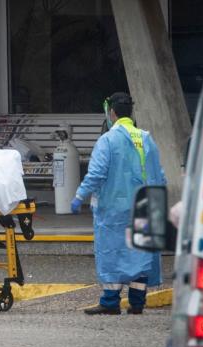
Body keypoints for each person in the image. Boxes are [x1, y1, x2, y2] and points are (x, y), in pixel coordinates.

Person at [70, 92, 166, 315]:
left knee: (112, 252)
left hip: (115, 208)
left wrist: (79, 196)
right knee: (140, 250)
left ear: (112, 113)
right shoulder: (146, 137)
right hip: (146, 204)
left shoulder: (108, 140)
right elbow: (160, 175)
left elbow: (96, 174)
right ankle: (137, 303)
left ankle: (110, 302)